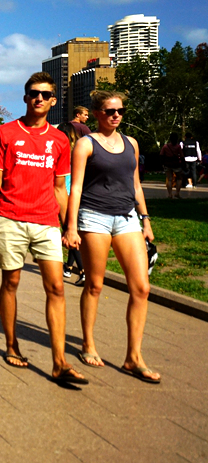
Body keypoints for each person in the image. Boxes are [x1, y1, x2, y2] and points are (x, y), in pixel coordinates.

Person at [0, 72, 87, 386]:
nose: (39, 98)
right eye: (33, 93)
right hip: (9, 218)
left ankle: (59, 362)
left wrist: (70, 227)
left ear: (53, 101)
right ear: (25, 98)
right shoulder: (5, 132)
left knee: (56, 287)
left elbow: (59, 188)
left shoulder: (59, 141)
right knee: (10, 282)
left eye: (45, 94)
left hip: (46, 223)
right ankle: (11, 344)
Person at [64, 91, 159, 383]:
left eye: (119, 110)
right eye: (109, 111)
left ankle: (134, 357)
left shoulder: (131, 143)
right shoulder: (85, 144)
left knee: (141, 288)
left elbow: (136, 185)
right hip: (94, 217)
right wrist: (71, 226)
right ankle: (88, 344)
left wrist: (145, 219)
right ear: (96, 114)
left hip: (127, 216)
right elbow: (76, 187)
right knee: (94, 284)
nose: (115, 115)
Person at [56, 122, 84, 285]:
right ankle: (68, 267)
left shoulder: (61, 153)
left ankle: (83, 270)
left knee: (70, 234)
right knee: (71, 234)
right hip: (79, 197)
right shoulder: (79, 153)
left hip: (65, 198)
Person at [160, 133, 182, 198]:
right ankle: (177, 193)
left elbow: (161, 155)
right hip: (176, 164)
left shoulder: (165, 146)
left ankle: (170, 194)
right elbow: (182, 156)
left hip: (167, 164)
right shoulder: (178, 147)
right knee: (179, 178)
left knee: (169, 179)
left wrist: (162, 163)